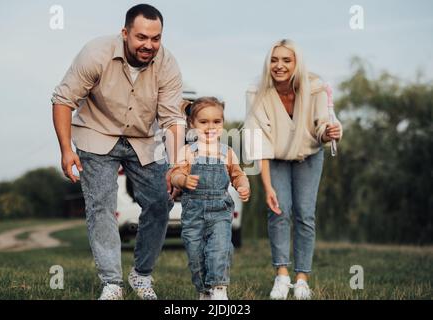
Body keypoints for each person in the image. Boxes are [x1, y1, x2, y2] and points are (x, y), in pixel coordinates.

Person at [51, 4, 186, 300]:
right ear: (125, 33)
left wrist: (177, 166)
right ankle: (112, 283)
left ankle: (141, 276)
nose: (149, 45)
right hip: (96, 134)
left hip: (142, 138)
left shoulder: (168, 64)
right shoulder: (95, 53)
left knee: (160, 203)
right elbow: (63, 99)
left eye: (156, 38)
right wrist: (65, 150)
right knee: (101, 205)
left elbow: (172, 119)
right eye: (141, 37)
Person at [244, 39, 342, 300]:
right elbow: (258, 141)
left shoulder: (316, 88)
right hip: (274, 159)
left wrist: (329, 131)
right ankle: (282, 276)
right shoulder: (256, 92)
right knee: (278, 211)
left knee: (305, 214)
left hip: (308, 157)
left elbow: (322, 125)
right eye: (274, 60)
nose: (279, 65)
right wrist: (267, 188)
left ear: (296, 63)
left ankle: (302, 280)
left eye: (286, 60)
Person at [170, 97, 250, 300]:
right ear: (191, 124)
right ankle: (204, 290)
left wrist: (243, 185)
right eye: (203, 122)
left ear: (222, 124)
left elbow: (238, 174)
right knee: (195, 254)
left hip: (220, 211)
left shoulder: (227, 153)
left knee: (219, 248)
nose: (210, 127)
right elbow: (175, 174)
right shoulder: (188, 152)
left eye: (217, 122)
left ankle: (219, 288)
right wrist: (183, 180)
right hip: (194, 212)